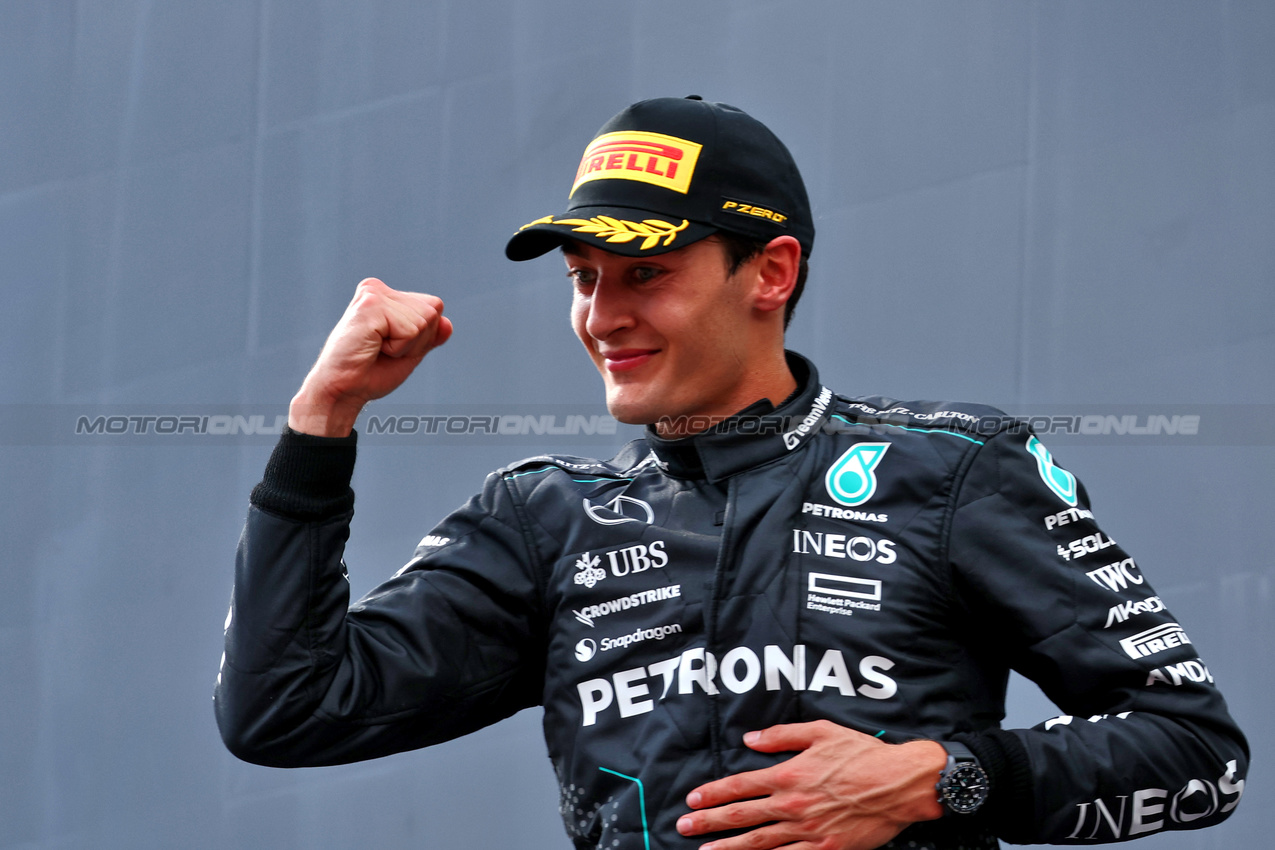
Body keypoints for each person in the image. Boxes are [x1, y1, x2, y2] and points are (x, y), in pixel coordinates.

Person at [215, 96, 1248, 849]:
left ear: (773, 272)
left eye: (646, 274)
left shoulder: (955, 469)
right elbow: (284, 709)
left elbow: (1197, 751)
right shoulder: (545, 521)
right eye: (584, 280)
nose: (602, 316)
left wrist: (942, 776)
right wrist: (322, 421)